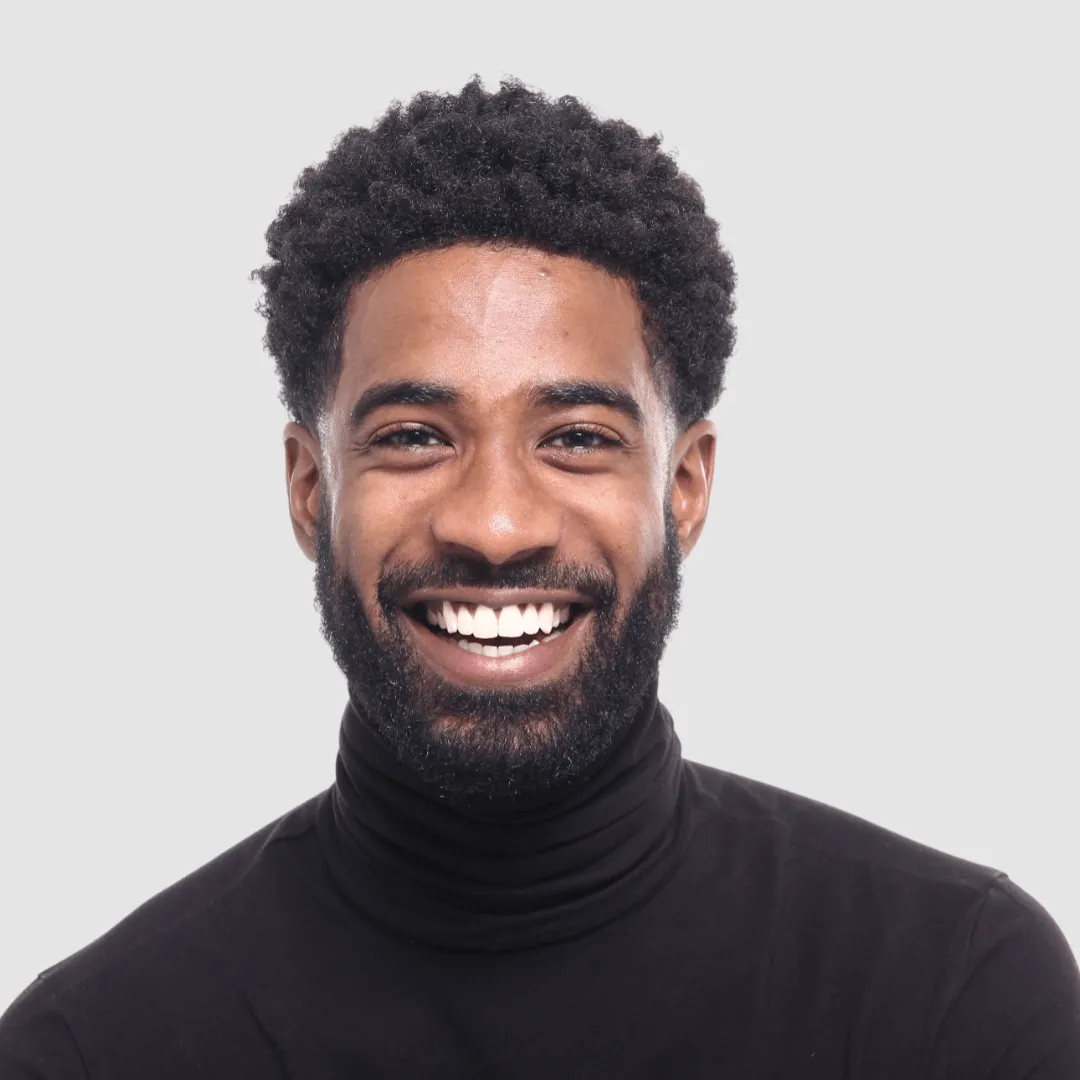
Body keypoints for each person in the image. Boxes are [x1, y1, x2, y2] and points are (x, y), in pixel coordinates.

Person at [1, 77, 1077, 1079]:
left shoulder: (954, 996)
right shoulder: (96, 1049)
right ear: (310, 489)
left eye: (577, 438)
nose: (497, 524)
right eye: (414, 436)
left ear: (685, 486)